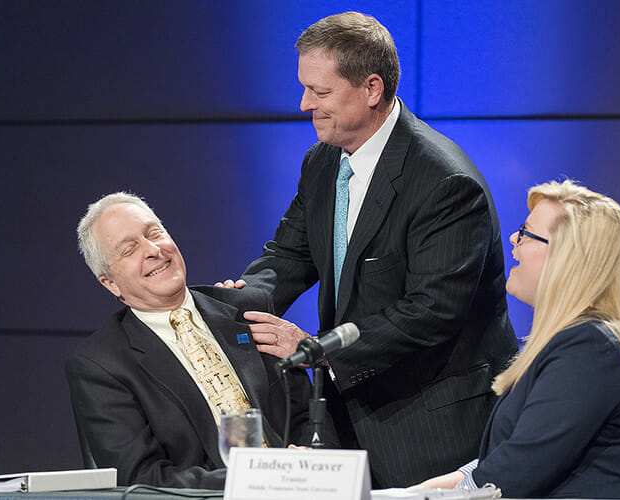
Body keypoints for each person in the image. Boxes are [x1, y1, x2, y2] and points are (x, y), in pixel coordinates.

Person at [222, 12, 519, 487]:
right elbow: (289, 256)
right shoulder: (322, 162)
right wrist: (226, 306)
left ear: (372, 89)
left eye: (320, 92)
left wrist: (316, 351)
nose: (303, 105)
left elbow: (431, 313)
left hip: (429, 425)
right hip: (349, 420)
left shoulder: (445, 182)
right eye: (305, 89)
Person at [415, 180, 620, 499]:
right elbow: (511, 457)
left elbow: (516, 472)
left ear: (570, 258)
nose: (513, 239)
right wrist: (431, 488)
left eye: (526, 232)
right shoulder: (580, 341)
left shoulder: (591, 349)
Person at [66, 192, 336, 488]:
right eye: (130, 249)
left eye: (154, 233)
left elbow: (307, 415)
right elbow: (141, 479)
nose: (153, 249)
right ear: (111, 283)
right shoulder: (101, 364)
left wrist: (311, 460)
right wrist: (256, 478)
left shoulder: (247, 309)